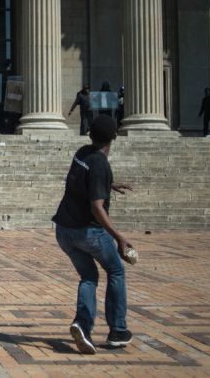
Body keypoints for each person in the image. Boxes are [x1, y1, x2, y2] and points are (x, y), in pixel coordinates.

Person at [52, 115, 134, 355]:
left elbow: (85, 181)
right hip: (87, 232)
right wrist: (118, 237)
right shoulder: (100, 164)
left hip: (64, 231)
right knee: (116, 271)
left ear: (90, 136)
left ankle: (82, 325)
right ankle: (118, 330)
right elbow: (97, 208)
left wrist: (110, 184)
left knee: (89, 276)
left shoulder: (82, 153)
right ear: (114, 137)